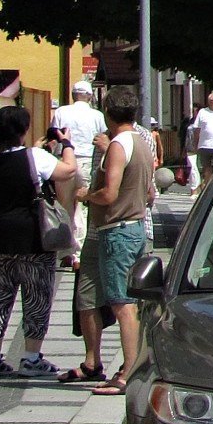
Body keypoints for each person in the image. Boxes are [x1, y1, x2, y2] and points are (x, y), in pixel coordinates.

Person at [0, 105, 77, 380]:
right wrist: (66, 143)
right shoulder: (34, 156)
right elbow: (67, 171)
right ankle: (31, 357)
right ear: (23, 129)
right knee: (36, 296)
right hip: (31, 235)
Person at [67, 91, 155, 393]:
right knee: (122, 302)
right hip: (131, 228)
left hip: (117, 229)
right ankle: (120, 366)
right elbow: (150, 193)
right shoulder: (143, 142)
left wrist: (85, 196)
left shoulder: (118, 145)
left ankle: (128, 372)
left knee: (123, 305)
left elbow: (109, 194)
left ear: (108, 111)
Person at [50, 80, 106, 199]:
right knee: (84, 201)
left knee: (64, 203)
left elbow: (54, 135)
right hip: (87, 160)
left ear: (73, 95)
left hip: (64, 159)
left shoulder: (61, 111)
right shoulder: (97, 115)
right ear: (90, 96)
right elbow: (104, 137)